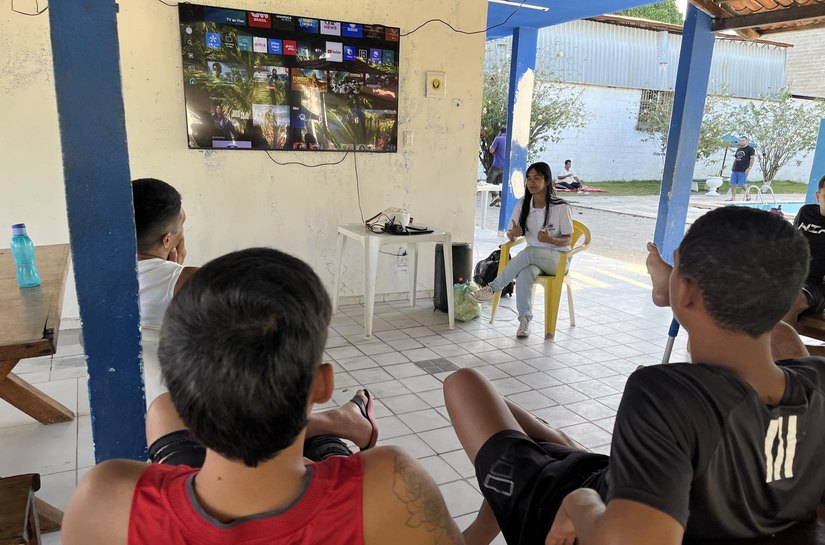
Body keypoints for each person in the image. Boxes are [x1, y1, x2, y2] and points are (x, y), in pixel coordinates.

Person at [447, 206, 825, 545]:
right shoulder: (814, 380)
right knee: (548, 439)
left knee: (463, 383)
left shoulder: (664, 394)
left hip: (575, 509)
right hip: (618, 479)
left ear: (688, 292)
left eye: (678, 269)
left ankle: (486, 527)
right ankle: (528, 483)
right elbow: (772, 340)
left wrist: (579, 504)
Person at [62, 248, 462, 545]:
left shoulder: (105, 496)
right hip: (328, 484)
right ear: (322, 385)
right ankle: (333, 431)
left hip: (195, 475)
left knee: (159, 412)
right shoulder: (390, 484)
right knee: (328, 448)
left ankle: (336, 427)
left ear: (180, 391)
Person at [133, 179, 378, 466]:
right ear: (167, 239)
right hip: (203, 411)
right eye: (181, 225)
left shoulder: (100, 283)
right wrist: (176, 268)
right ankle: (339, 422)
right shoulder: (191, 283)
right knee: (284, 429)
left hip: (161, 412)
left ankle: (343, 420)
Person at [470, 162, 572, 338]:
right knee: (525, 273)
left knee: (530, 252)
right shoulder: (523, 205)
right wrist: (513, 233)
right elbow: (511, 234)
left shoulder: (560, 207)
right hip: (534, 260)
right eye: (529, 179)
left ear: (547, 181)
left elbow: (568, 239)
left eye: (537, 178)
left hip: (558, 260)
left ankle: (492, 288)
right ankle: (524, 321)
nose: (531, 183)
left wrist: (550, 240)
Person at [783, 174, 825, 326]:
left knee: (789, 301)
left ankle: (780, 349)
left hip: (816, 285)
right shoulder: (806, 212)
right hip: (789, 277)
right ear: (818, 196)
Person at [726, 135, 756, 201]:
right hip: (735, 169)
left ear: (746, 141)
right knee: (733, 183)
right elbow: (736, 158)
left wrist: (749, 168)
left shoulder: (750, 149)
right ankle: (733, 197)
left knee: (742, 184)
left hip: (743, 169)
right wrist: (733, 166)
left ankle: (748, 195)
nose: (741, 142)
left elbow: (753, 159)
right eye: (740, 141)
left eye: (743, 141)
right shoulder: (739, 149)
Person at [487, 127, 507, 206]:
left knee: (489, 181)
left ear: (501, 132)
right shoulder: (510, 139)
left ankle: (495, 196)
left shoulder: (498, 139)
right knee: (502, 184)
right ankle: (499, 202)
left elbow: (491, 150)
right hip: (506, 166)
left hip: (497, 165)